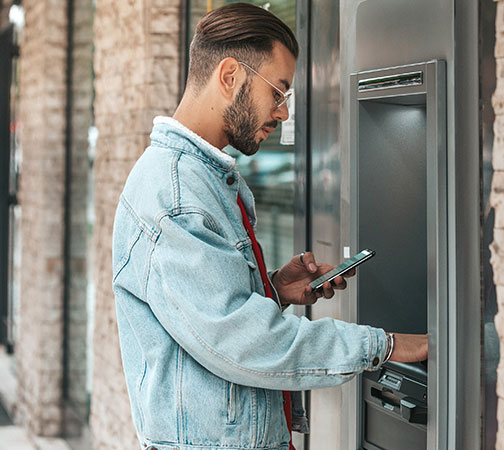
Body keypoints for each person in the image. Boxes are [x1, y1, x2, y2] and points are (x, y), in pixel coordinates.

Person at [111, 4, 428, 449]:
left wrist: (273, 290)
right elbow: (244, 343)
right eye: (278, 92)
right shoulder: (177, 195)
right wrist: (388, 346)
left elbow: (208, 315)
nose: (282, 113)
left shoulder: (203, 180)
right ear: (229, 77)